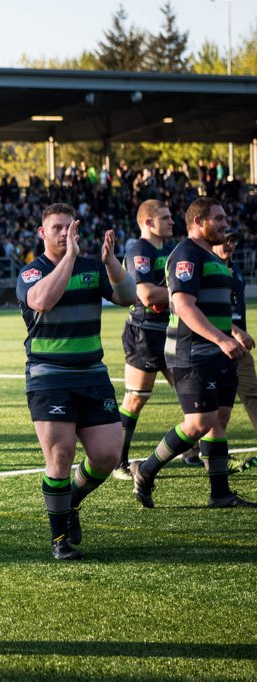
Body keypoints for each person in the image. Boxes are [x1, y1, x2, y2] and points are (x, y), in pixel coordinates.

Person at [16, 204, 136, 560]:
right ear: (42, 233)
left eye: (70, 227)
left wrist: (111, 262)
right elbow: (42, 300)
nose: (64, 233)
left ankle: (71, 503)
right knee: (61, 455)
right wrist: (68, 257)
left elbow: (128, 297)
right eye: (57, 228)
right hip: (49, 377)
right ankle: (59, 541)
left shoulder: (92, 267)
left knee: (107, 455)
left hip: (92, 374)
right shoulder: (31, 272)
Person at [131, 198, 257, 508]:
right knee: (199, 422)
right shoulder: (186, 254)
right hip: (192, 353)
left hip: (219, 351)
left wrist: (233, 332)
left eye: (226, 217)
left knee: (219, 421)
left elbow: (213, 306)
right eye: (218, 218)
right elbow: (184, 306)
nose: (225, 223)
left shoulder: (212, 256)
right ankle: (145, 470)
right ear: (198, 223)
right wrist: (220, 339)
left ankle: (220, 494)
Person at [112, 200, 176, 479]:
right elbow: (147, 296)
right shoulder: (139, 251)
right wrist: (184, 293)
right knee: (136, 399)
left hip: (174, 330)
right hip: (145, 332)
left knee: (192, 394)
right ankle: (118, 461)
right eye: (165, 217)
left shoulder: (172, 250)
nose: (172, 221)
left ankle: (194, 452)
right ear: (148, 222)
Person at [213, 229, 257, 474]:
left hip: (238, 349)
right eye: (226, 239)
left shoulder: (235, 269)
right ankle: (192, 451)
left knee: (252, 393)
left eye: (233, 240)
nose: (230, 244)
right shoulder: (208, 266)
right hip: (215, 345)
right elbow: (203, 309)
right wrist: (236, 331)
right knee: (210, 407)